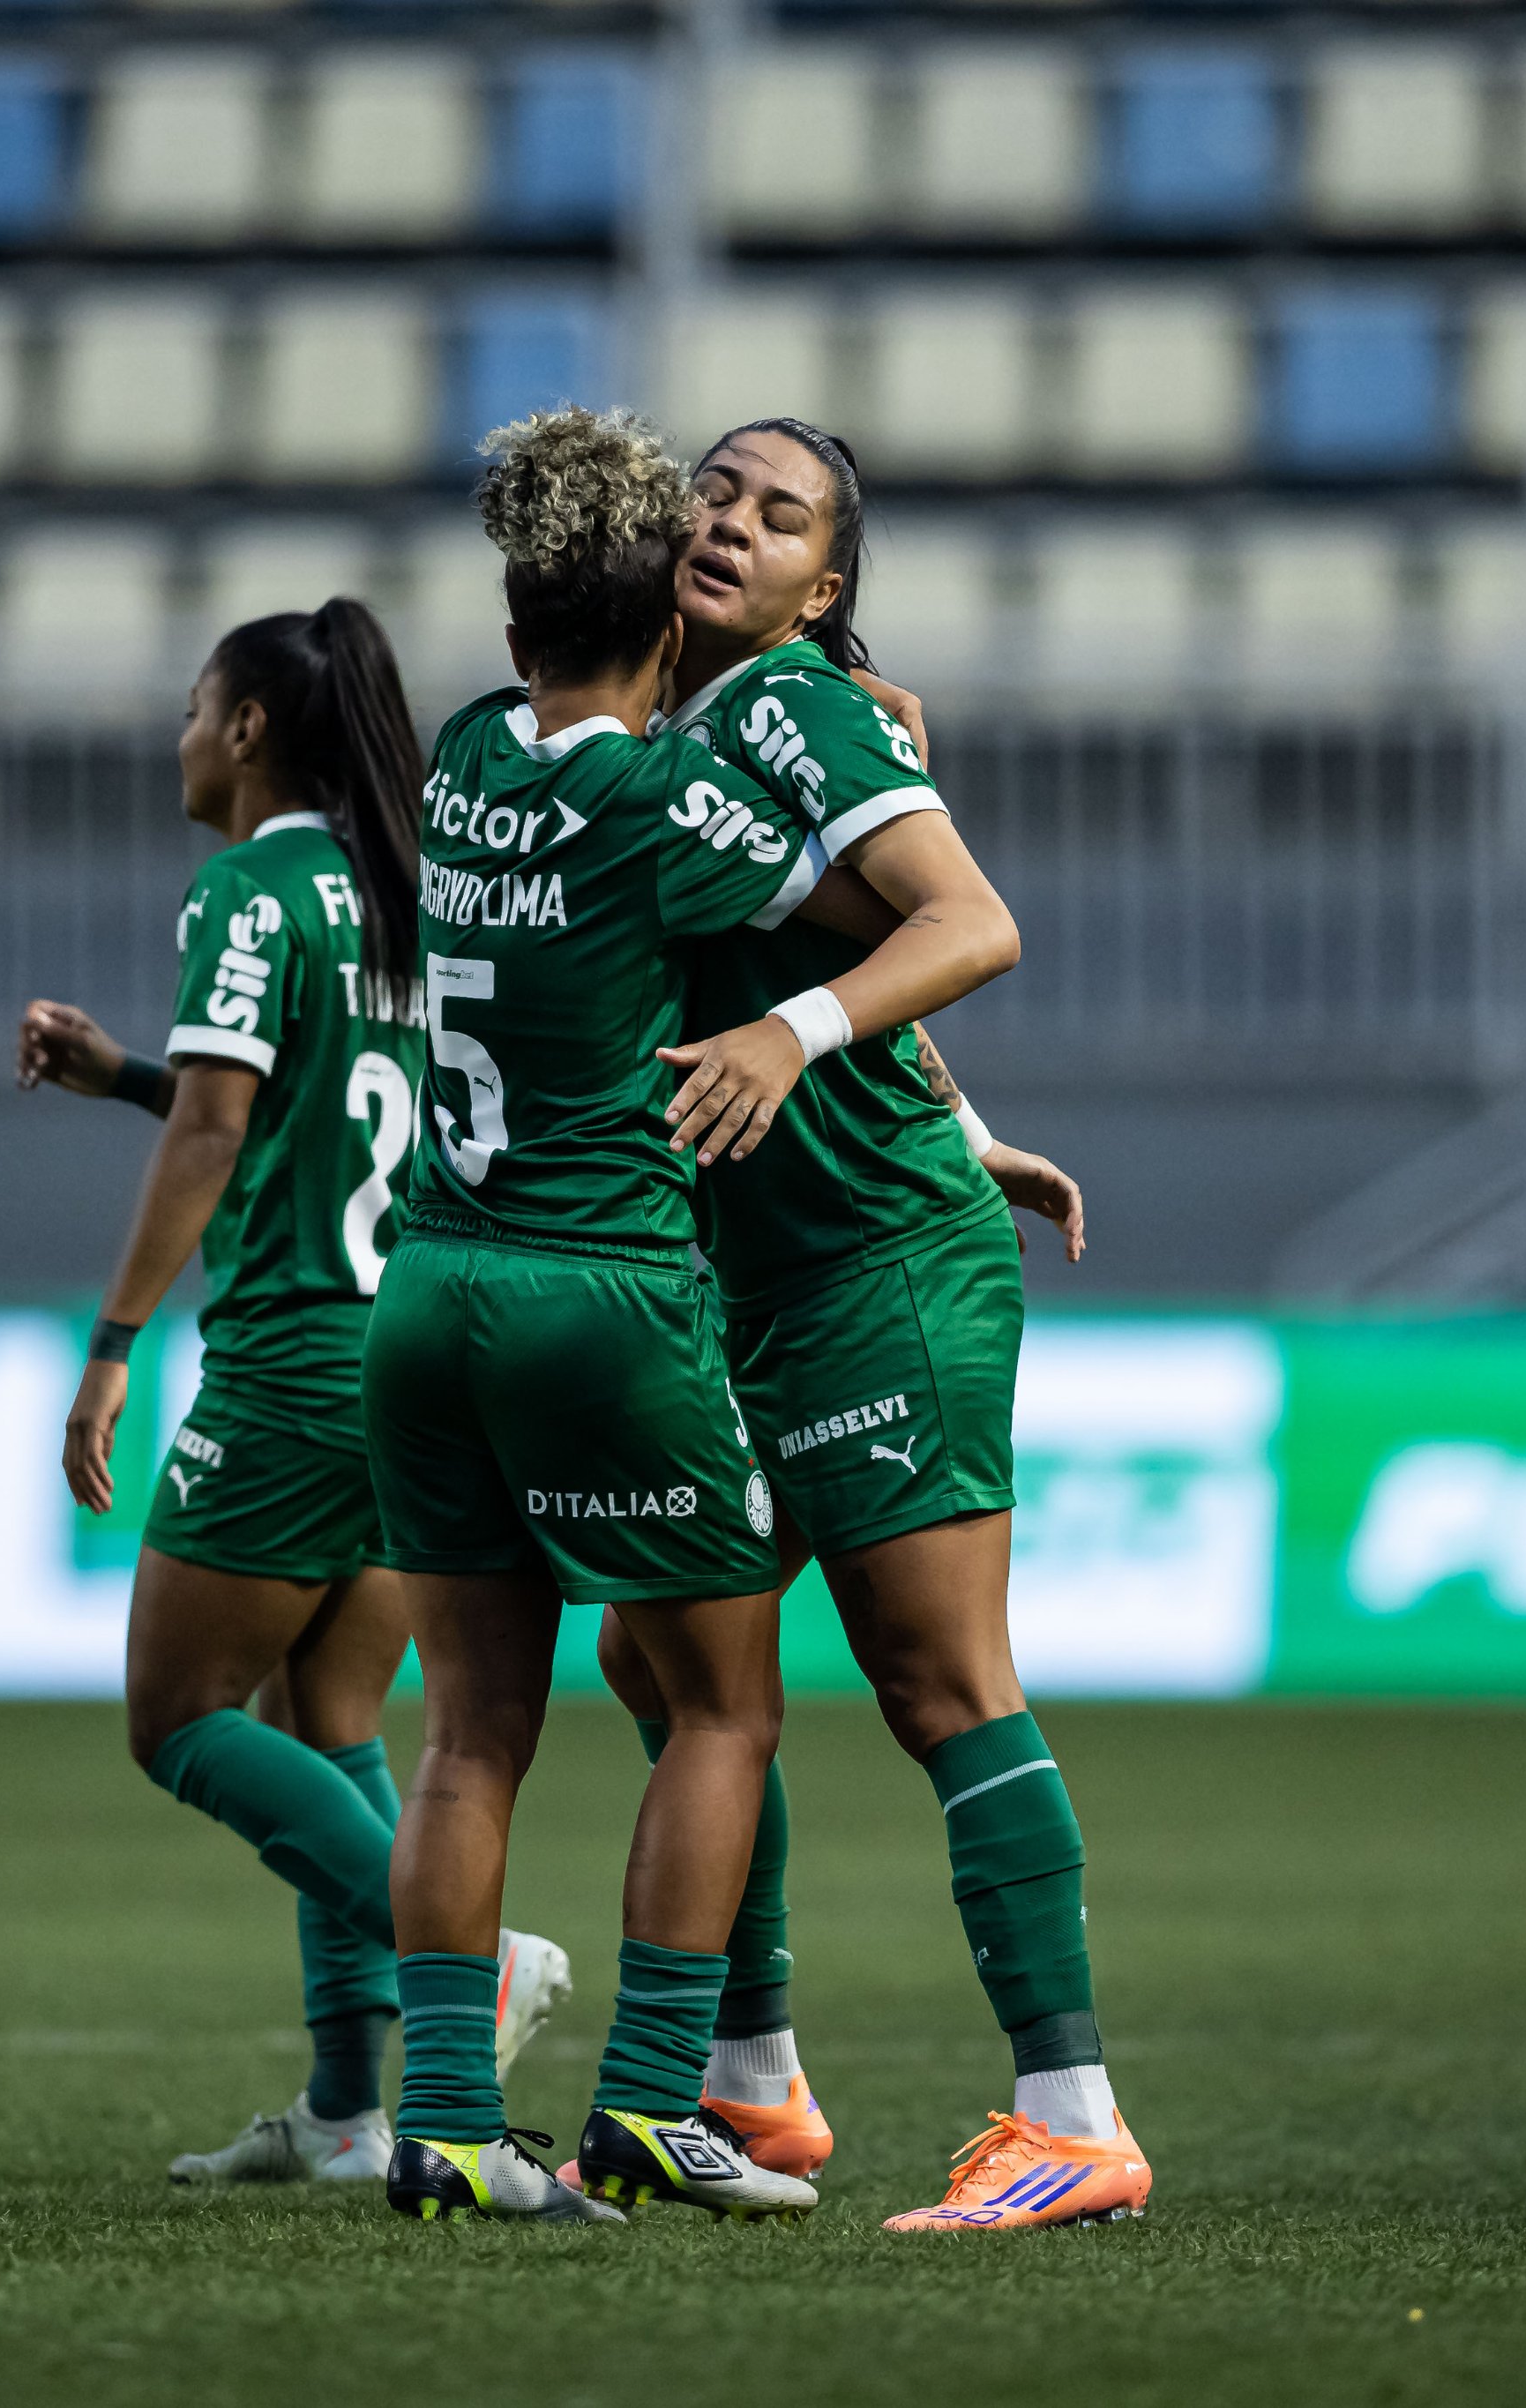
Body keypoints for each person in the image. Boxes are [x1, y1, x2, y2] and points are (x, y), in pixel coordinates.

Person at [367, 406, 1020, 2225]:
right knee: (718, 1703)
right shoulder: (667, 802)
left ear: (512, 639)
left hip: (424, 1300)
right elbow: (849, 915)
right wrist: (873, 742)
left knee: (471, 1730)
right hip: (603, 1298)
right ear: (667, 626)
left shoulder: (470, 754)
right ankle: (661, 2097)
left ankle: (437, 2123)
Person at [591, 417, 1149, 2232]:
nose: (728, 524)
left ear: (819, 588)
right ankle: (748, 2083)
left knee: (936, 1681)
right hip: (774, 1267)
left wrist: (795, 1045)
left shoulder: (787, 708)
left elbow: (968, 920)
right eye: (713, 492)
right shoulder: (682, 731)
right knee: (668, 1664)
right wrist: (961, 1118)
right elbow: (833, 935)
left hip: (872, 1265)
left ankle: (1070, 2118)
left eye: (778, 516)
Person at [13, 600, 569, 2193]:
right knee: (325, 1721)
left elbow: (216, 1135)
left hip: (295, 1361)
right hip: (422, 1358)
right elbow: (300, 1101)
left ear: (251, 728)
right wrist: (132, 1070)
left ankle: (466, 1956)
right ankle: (345, 2110)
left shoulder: (253, 886)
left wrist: (114, 1339)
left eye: (198, 705)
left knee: (177, 1715)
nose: (183, 734)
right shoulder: (411, 895)